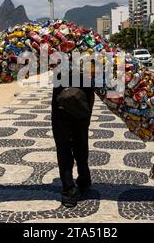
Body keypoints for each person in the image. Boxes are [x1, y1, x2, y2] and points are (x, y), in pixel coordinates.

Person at [51, 63, 95, 208]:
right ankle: (84, 178)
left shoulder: (56, 46)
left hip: (63, 93)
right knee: (81, 139)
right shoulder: (90, 49)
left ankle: (69, 189)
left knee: (63, 143)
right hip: (84, 93)